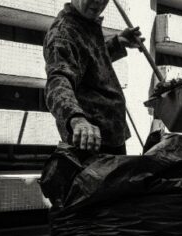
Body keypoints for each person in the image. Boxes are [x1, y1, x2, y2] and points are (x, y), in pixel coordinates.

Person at [43, 0, 145, 155]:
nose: (99, 2)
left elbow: (89, 61)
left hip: (110, 136)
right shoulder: (63, 34)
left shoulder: (85, 24)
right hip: (90, 140)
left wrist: (117, 43)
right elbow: (58, 81)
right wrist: (76, 119)